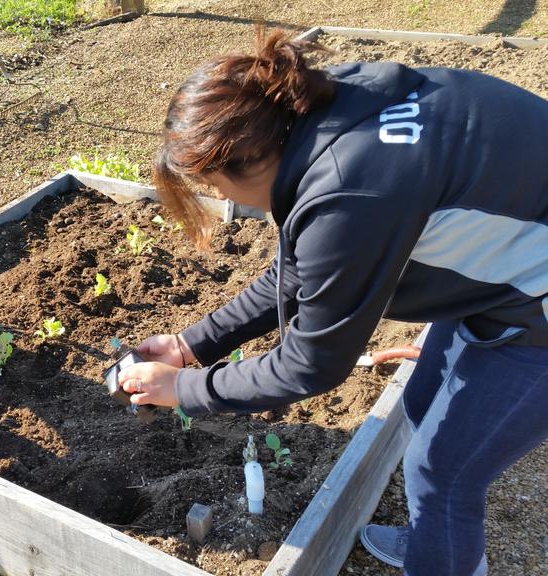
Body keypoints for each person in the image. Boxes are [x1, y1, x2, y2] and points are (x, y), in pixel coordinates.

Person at [118, 29, 548, 576]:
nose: (221, 200)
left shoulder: (350, 194)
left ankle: (444, 553)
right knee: (420, 404)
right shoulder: (321, 105)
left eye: (213, 187)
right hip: (516, 260)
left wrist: (182, 389)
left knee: (443, 476)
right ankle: (435, 544)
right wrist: (190, 345)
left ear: (237, 164)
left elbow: (309, 366)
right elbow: (297, 268)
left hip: (537, 302)